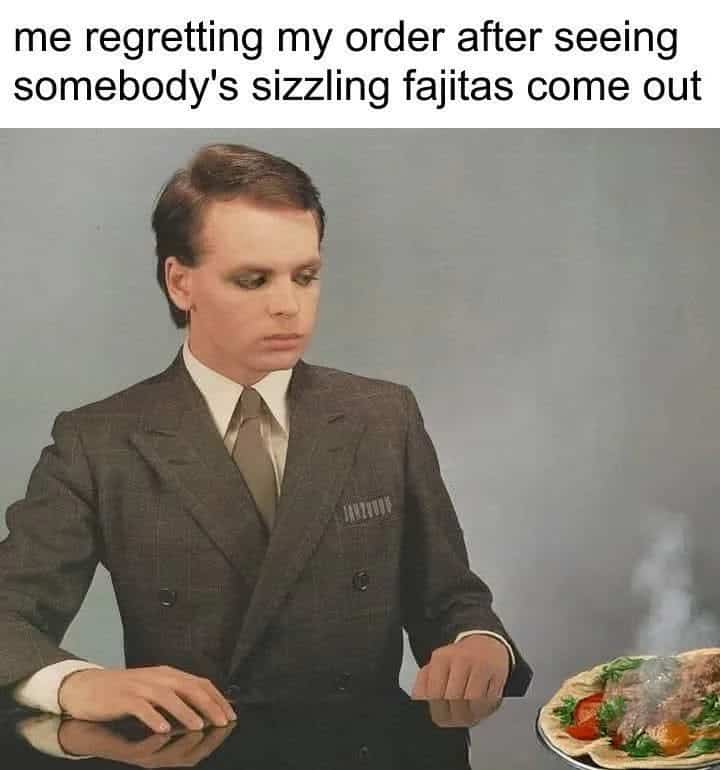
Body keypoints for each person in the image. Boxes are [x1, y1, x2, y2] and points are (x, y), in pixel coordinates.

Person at [0, 143, 532, 743]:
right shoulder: (100, 440)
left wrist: (478, 644)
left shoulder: (382, 415)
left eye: (305, 276)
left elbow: (450, 597)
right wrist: (75, 683)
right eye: (252, 280)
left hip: (363, 753)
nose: (288, 306)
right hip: (196, 754)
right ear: (181, 283)